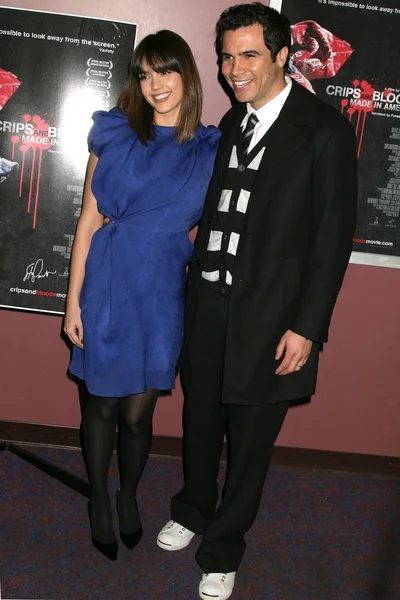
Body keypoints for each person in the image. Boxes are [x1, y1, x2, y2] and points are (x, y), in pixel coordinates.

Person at [157, 4, 357, 599]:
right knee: (199, 418)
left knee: (249, 441)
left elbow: (331, 241)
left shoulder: (323, 130)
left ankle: (224, 546)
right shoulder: (232, 124)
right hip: (209, 308)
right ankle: (193, 508)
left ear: (282, 56)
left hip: (273, 318)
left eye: (248, 55)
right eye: (226, 56)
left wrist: (308, 327)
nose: (233, 68)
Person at [64, 29, 220, 562]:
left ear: (187, 75)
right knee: (102, 407)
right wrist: (72, 302)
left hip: (162, 293)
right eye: (145, 74)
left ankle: (128, 494)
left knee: (137, 415)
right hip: (107, 282)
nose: (155, 84)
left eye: (166, 71)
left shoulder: (209, 148)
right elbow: (87, 221)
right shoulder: (113, 134)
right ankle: (99, 505)